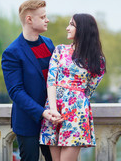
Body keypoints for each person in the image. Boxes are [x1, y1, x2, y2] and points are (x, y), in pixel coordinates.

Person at [39, 13, 106, 161]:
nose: (67, 28)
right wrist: (54, 110)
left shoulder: (98, 60)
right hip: (53, 111)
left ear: (82, 29)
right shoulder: (60, 50)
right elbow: (51, 81)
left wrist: (74, 101)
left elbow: (89, 91)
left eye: (71, 25)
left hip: (76, 113)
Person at [2, 0, 60, 161]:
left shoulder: (49, 44)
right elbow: (16, 92)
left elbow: (57, 79)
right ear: (29, 19)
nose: (47, 20)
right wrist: (42, 112)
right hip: (28, 121)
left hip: (52, 121)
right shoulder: (12, 52)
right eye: (42, 17)